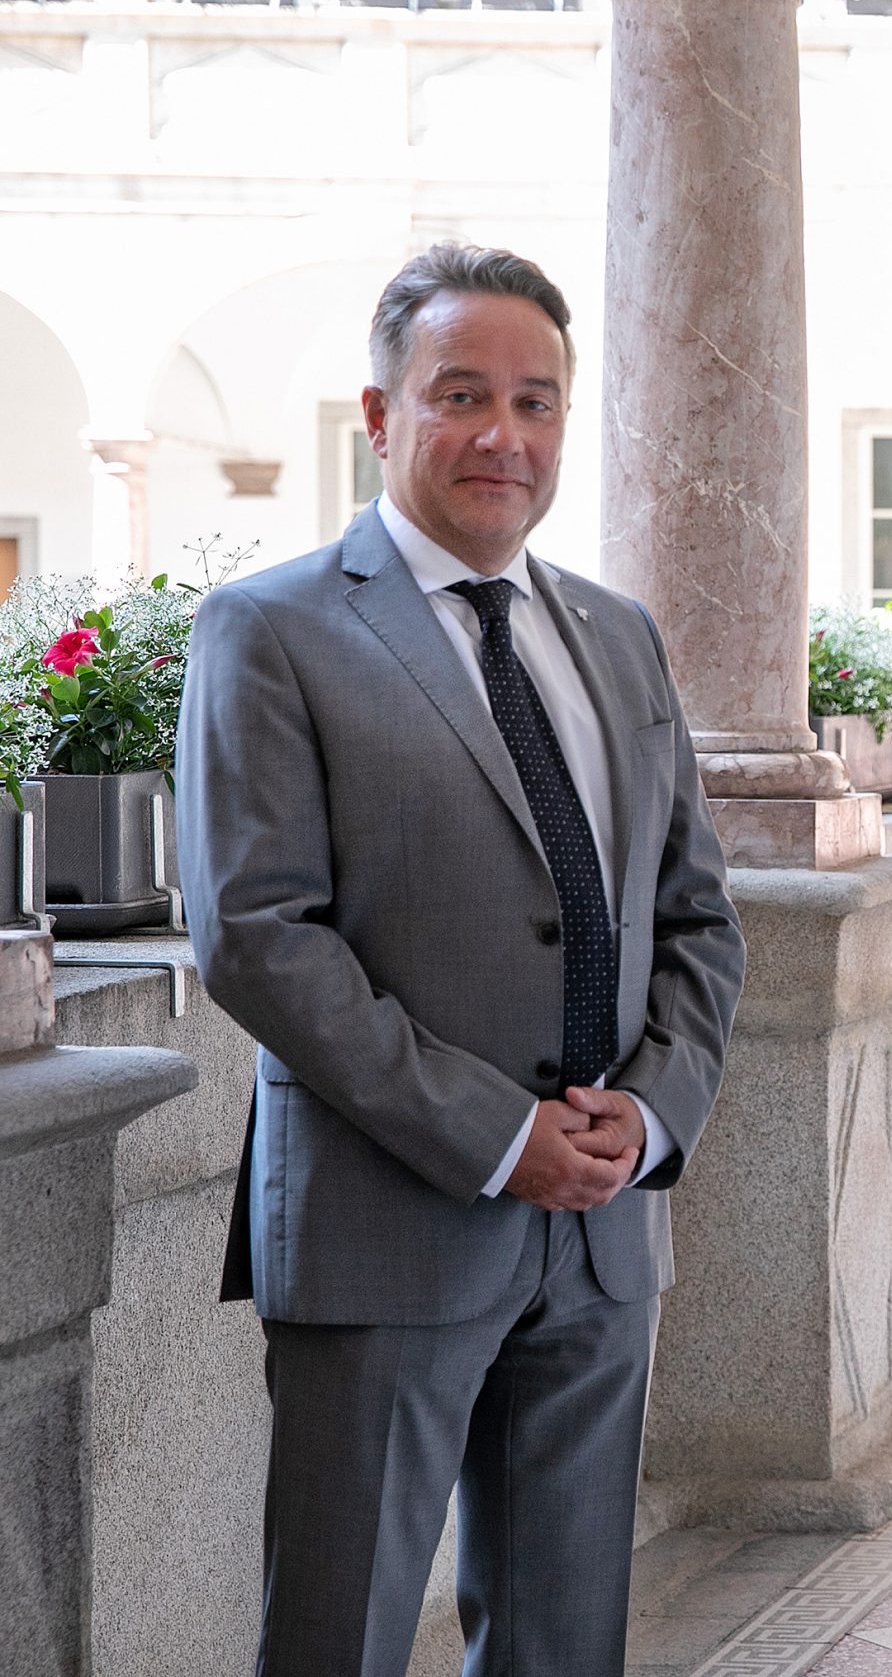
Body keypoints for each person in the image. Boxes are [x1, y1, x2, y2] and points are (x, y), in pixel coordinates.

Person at [179, 243, 746, 1676]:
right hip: (389, 1227)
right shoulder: (272, 628)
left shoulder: (619, 635)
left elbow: (696, 917)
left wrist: (651, 1115)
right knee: (341, 1641)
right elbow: (257, 935)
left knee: (565, 1647)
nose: (505, 434)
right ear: (382, 415)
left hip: (605, 1237)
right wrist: (499, 1137)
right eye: (462, 394)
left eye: (536, 400)